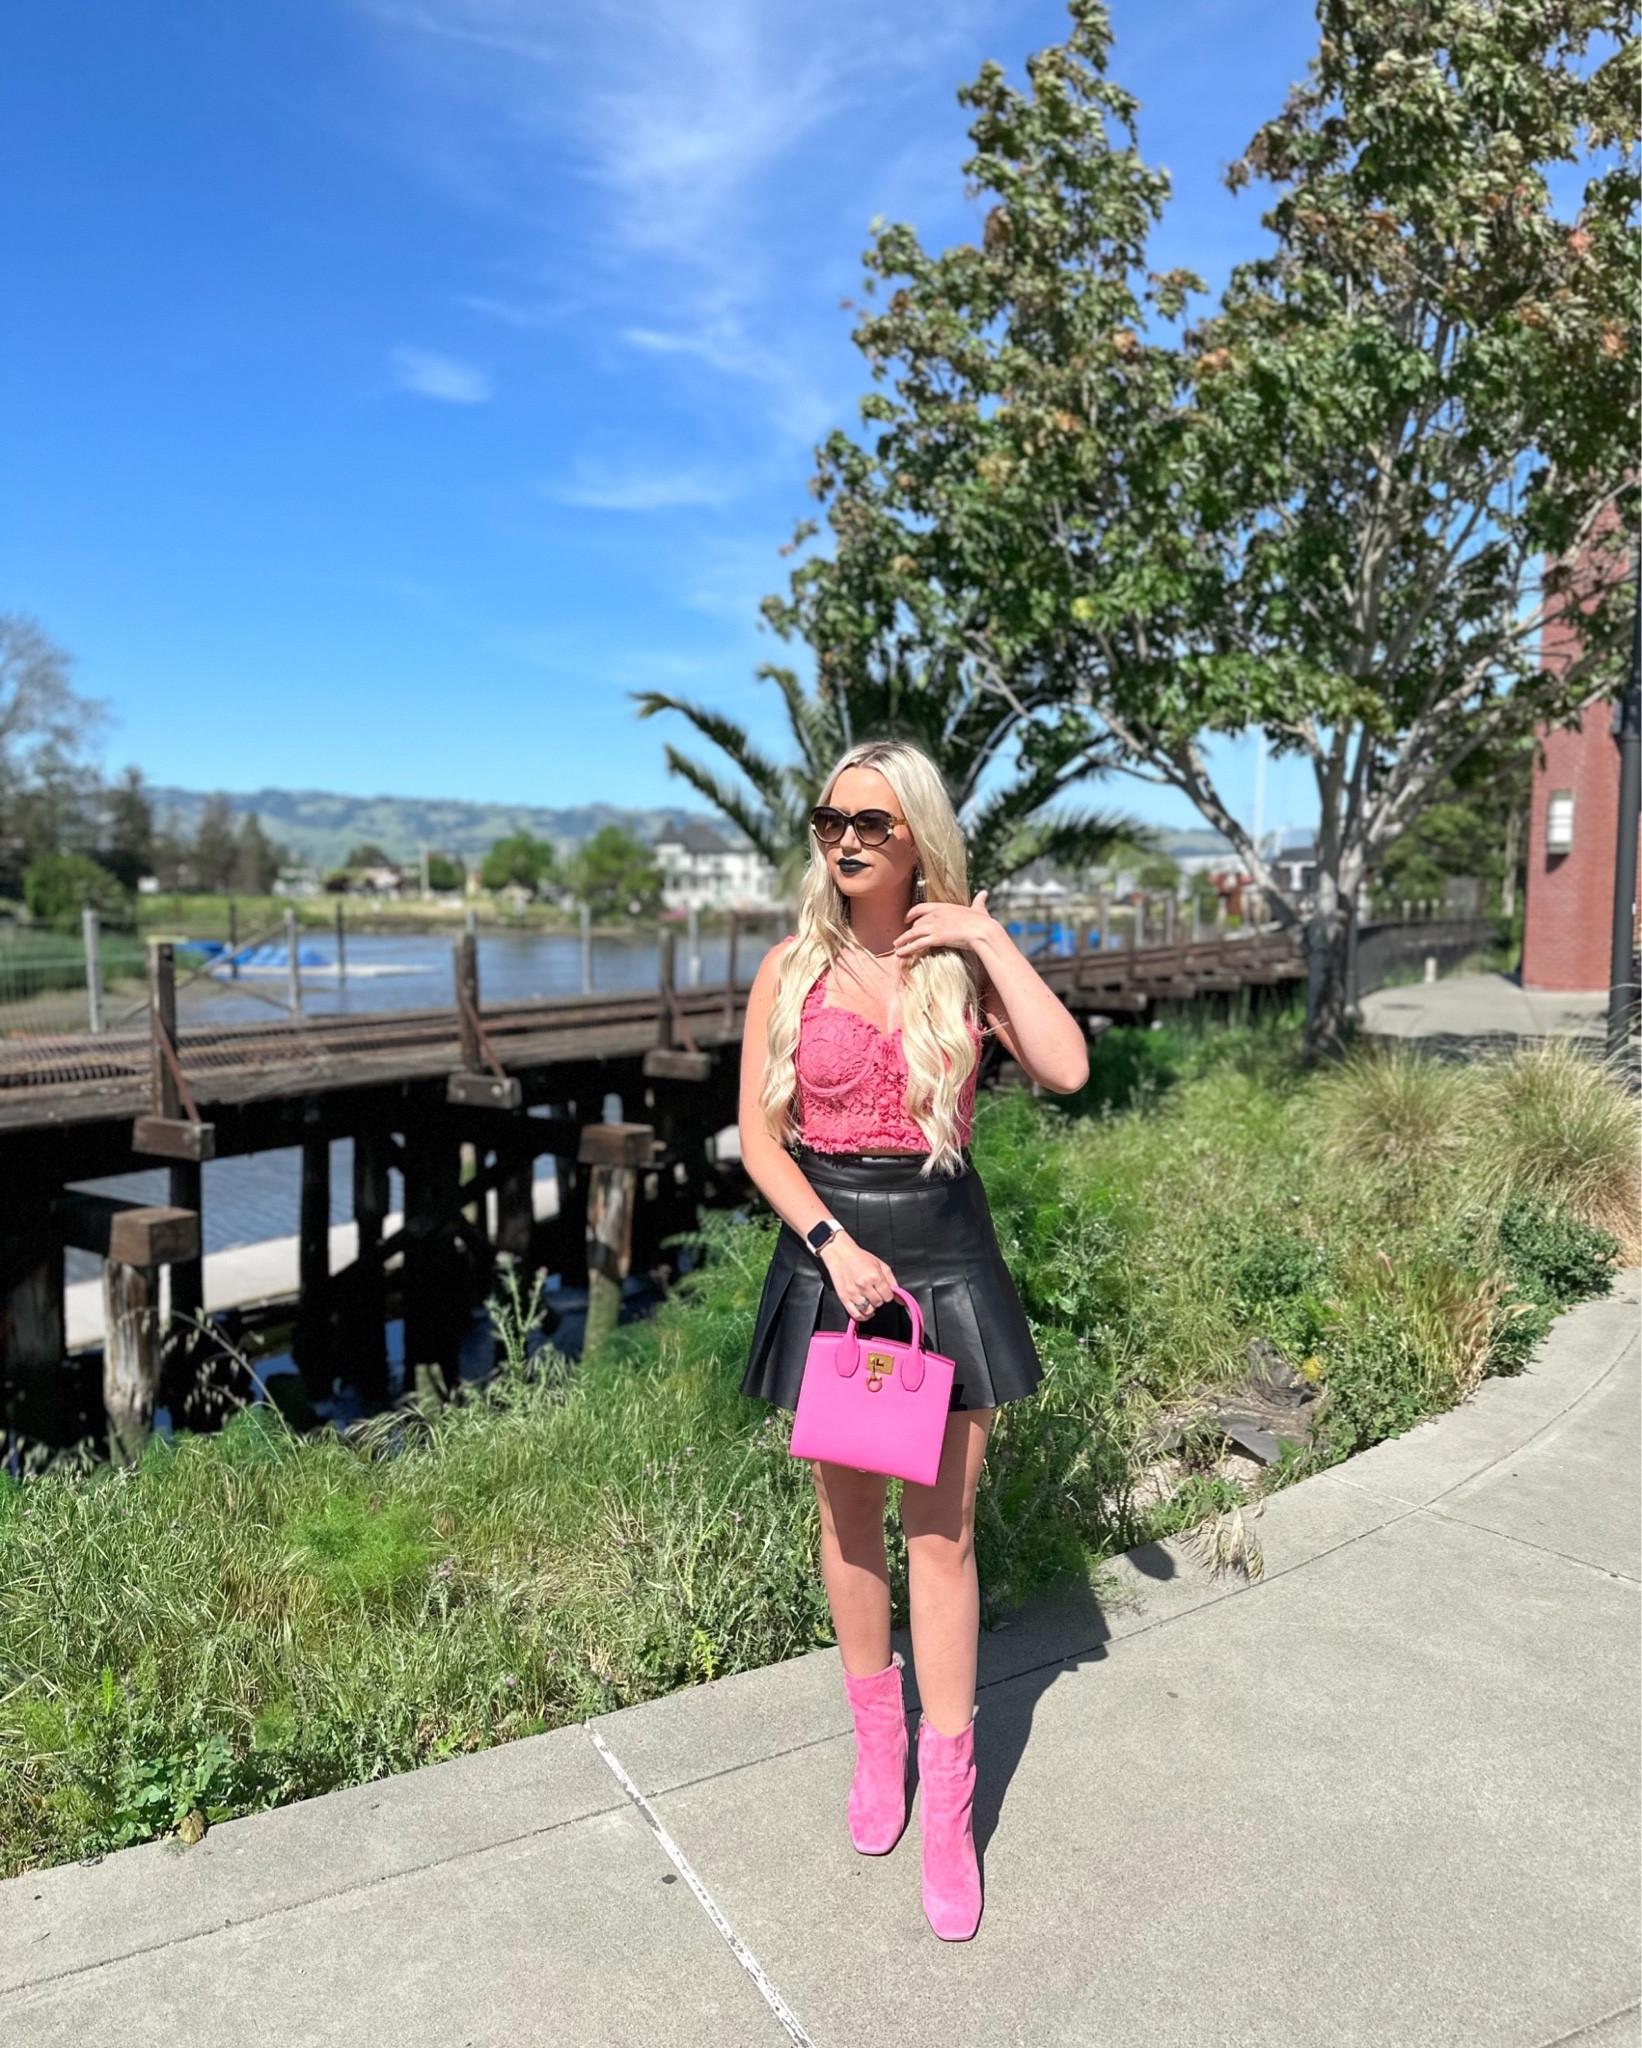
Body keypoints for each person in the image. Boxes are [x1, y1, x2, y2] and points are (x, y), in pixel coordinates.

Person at [738, 739, 1089, 1941]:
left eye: (873, 823)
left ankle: (950, 1805)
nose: (845, 838)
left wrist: (988, 939)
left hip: (943, 1256)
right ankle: (872, 1751)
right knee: (846, 1524)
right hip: (837, 1258)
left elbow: (1068, 1065)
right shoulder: (790, 967)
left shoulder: (957, 966)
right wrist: (829, 1241)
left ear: (917, 837)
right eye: (831, 817)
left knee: (939, 1537)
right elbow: (759, 1140)